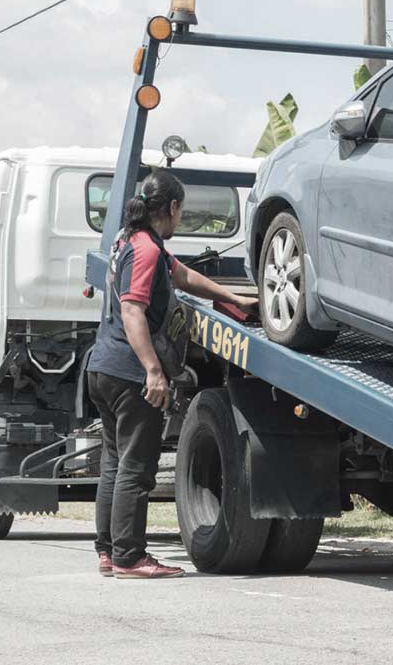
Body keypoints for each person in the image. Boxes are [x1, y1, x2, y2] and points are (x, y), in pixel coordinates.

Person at [87, 170, 258, 579]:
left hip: (102, 367)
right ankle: (130, 557)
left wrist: (233, 297)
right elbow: (132, 310)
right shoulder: (146, 251)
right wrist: (153, 371)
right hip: (130, 372)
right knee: (137, 467)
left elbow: (183, 276)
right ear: (174, 208)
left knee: (115, 462)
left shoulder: (131, 241)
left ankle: (110, 552)